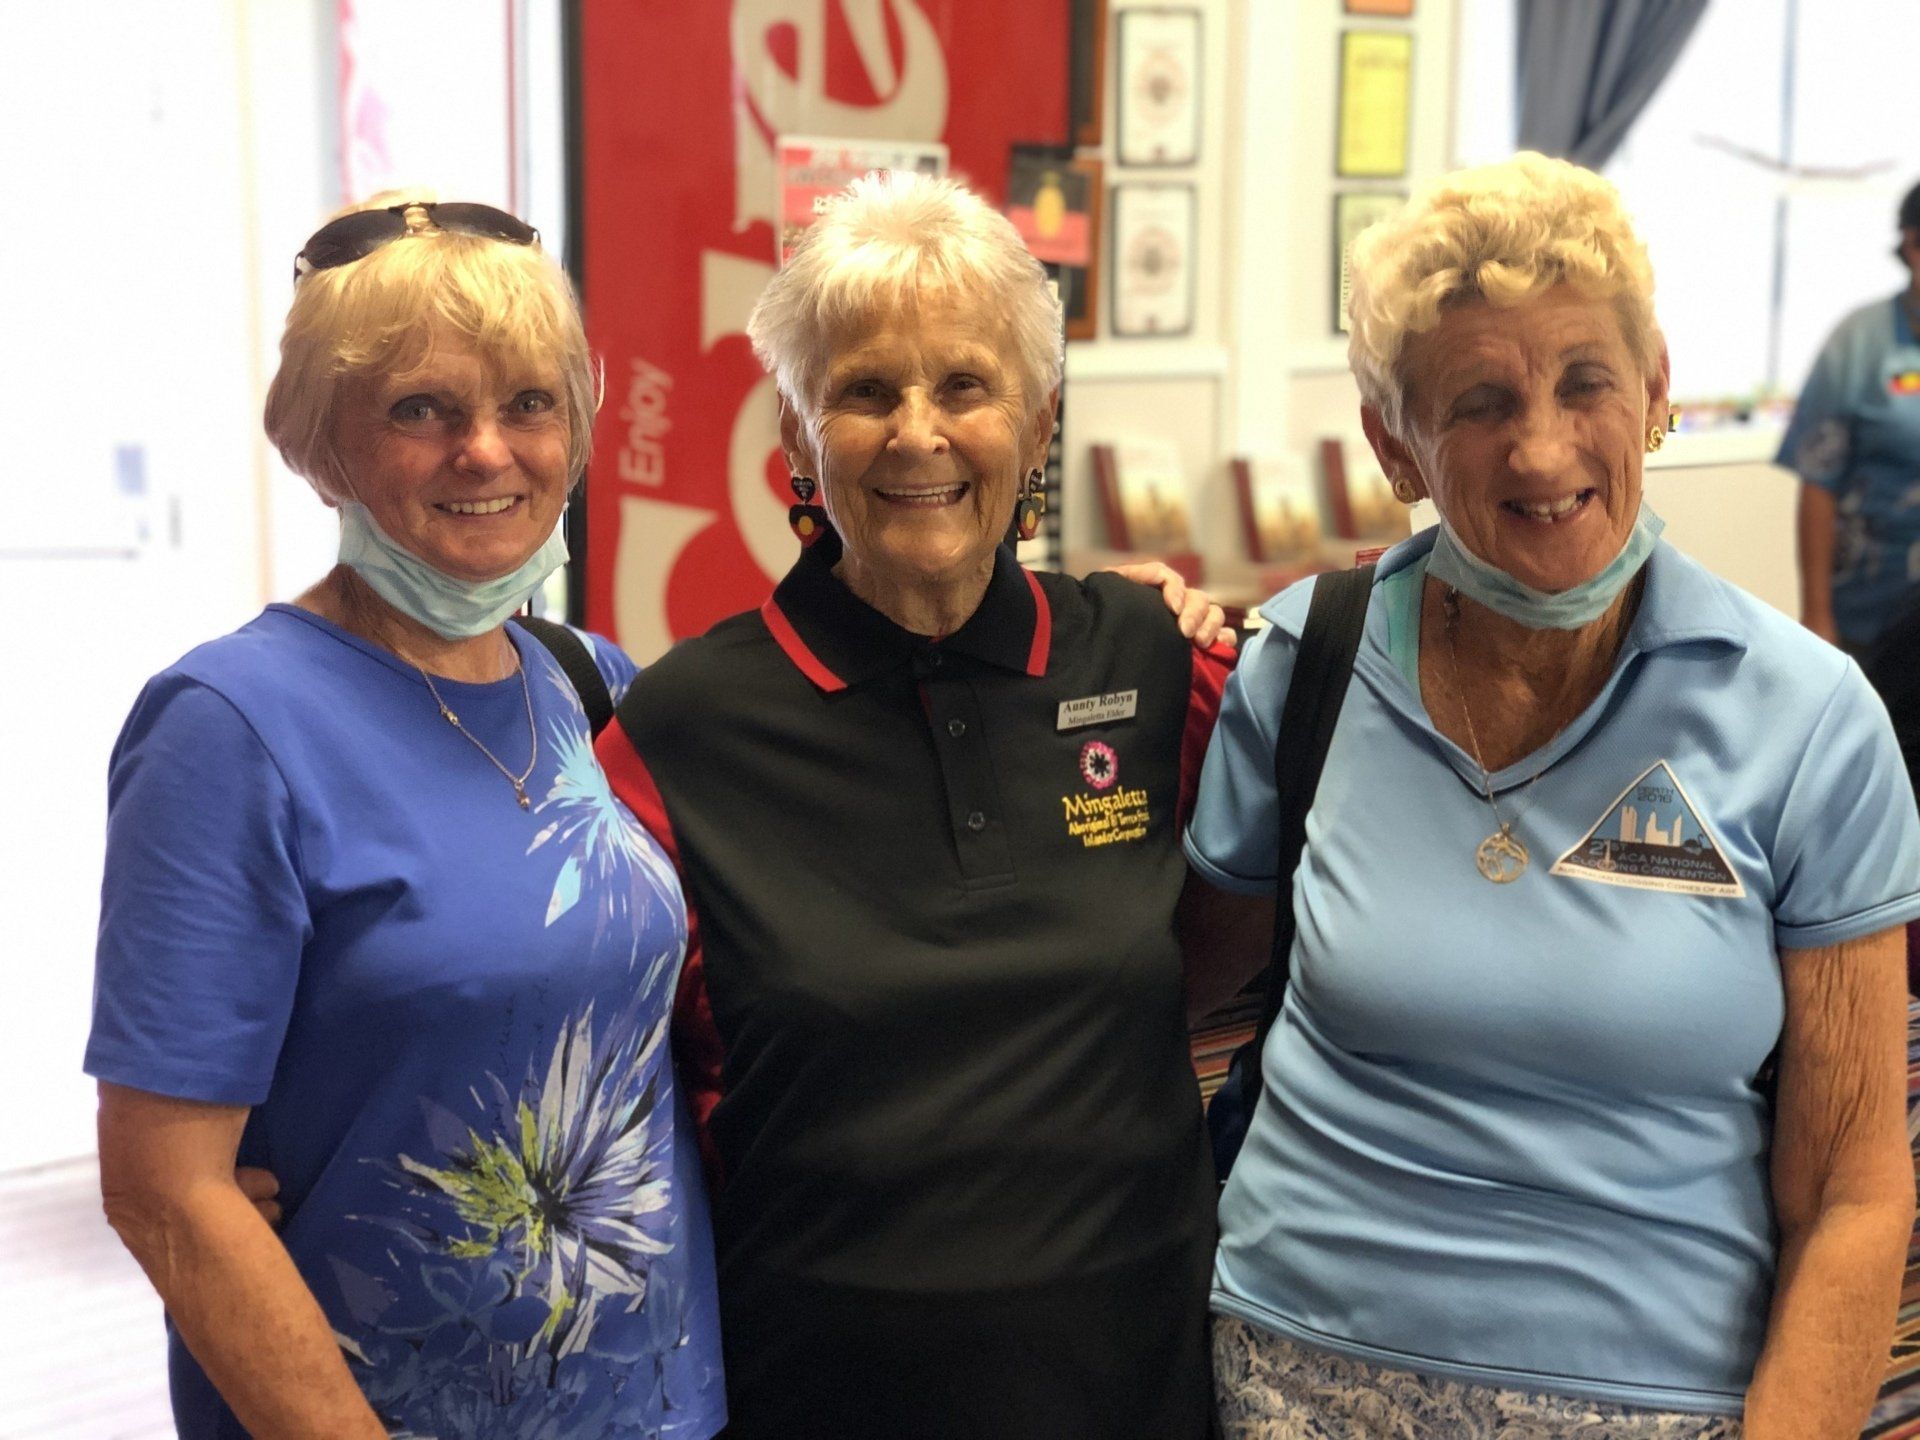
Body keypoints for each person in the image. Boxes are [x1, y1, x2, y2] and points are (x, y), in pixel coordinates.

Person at [1188, 153, 1920, 1439]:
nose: (1540, 449)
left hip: (1648, 1401)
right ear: (1393, 443)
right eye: (1477, 400)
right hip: (1287, 1373)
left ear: (1654, 395)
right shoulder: (1305, 664)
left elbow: (1856, 1193)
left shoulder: (1809, 721)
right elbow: (1183, 1001)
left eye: (1586, 381)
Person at [592, 171, 1259, 1440]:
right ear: (792, 436)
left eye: (965, 385)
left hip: (1141, 1386)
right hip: (817, 1393)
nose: (917, 433)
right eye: (863, 391)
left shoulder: (1156, 664)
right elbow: (569, 1052)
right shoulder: (675, 736)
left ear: (1040, 419)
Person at [85, 196, 727, 1437]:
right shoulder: (228, 727)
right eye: (420, 409)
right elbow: (164, 1188)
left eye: (529, 404)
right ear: (323, 444)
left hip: (659, 1404)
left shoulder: (594, 685)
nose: (485, 453)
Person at [1781, 178, 1920, 655]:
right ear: (1912, 247)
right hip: (1870, 613)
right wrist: (1817, 615)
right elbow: (1819, 482)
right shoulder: (1860, 342)